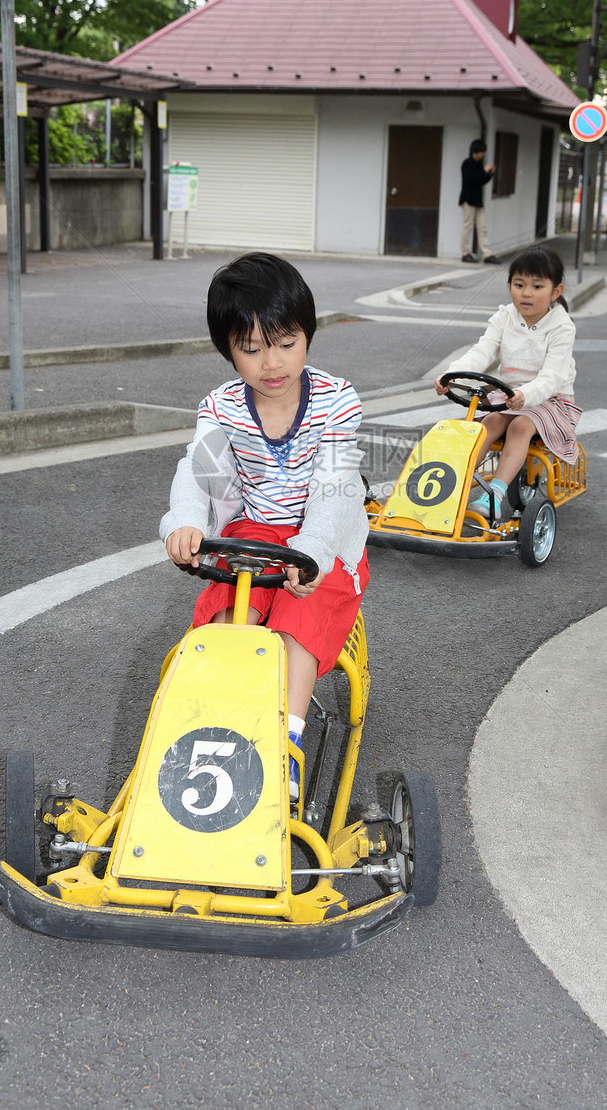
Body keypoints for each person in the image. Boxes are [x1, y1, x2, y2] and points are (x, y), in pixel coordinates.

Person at [161, 252, 370, 800]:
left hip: (326, 536)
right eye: (251, 350)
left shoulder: (335, 401)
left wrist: (315, 550)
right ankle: (219, 729)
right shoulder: (222, 407)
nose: (272, 363)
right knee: (234, 613)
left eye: (286, 343)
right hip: (258, 529)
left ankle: (287, 742)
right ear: (229, 350)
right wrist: (185, 521)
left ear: (308, 335)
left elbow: (333, 488)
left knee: (296, 618)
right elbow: (199, 472)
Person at [433, 244, 580, 523]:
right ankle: (451, 488)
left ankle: (494, 496)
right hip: (509, 396)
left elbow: (552, 376)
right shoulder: (504, 317)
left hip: (550, 399)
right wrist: (450, 374)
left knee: (521, 425)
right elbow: (482, 351)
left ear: (555, 292)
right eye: (519, 284)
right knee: (488, 424)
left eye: (537, 286)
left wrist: (527, 394)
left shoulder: (561, 327)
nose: (526, 293)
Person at [460, 138, 498, 264]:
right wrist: (484, 171)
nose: (483, 154)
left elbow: (481, 180)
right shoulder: (467, 164)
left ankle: (487, 254)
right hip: (468, 200)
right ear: (474, 152)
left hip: (477, 200)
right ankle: (465, 254)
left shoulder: (478, 165)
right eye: (482, 152)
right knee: (468, 226)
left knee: (482, 228)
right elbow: (471, 180)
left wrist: (489, 174)